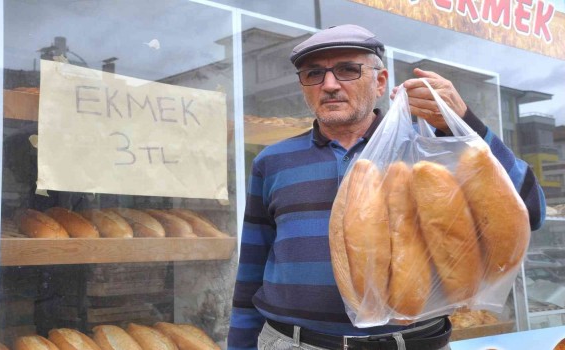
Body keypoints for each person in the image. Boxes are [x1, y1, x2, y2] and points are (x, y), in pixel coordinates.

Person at [227, 24, 545, 350]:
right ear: (303, 87)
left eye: (348, 70)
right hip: (294, 344)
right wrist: (239, 344)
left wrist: (463, 120)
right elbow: (252, 265)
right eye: (314, 74)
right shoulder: (273, 161)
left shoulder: (432, 150)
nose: (330, 84)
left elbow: (529, 208)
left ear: (380, 82)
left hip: (414, 343)